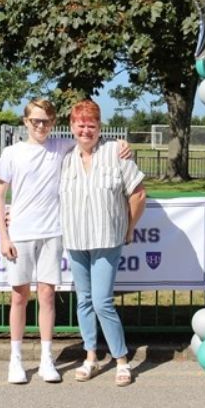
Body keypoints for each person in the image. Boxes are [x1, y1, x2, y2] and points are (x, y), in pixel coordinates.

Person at [0, 99, 130, 384]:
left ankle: (46, 359)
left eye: (46, 121)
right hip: (20, 233)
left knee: (47, 296)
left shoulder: (61, 147)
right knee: (19, 297)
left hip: (52, 232)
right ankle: (15, 359)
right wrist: (4, 236)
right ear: (25, 122)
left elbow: (89, 138)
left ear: (54, 123)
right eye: (35, 121)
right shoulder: (12, 153)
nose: (41, 126)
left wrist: (123, 143)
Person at [59, 99, 146, 387]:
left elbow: (138, 194)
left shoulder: (116, 152)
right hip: (75, 239)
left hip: (107, 238)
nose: (86, 130)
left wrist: (129, 228)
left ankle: (121, 360)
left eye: (91, 125)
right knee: (84, 300)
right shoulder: (64, 157)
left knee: (102, 302)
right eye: (80, 124)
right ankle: (91, 357)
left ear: (100, 127)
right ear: (72, 126)